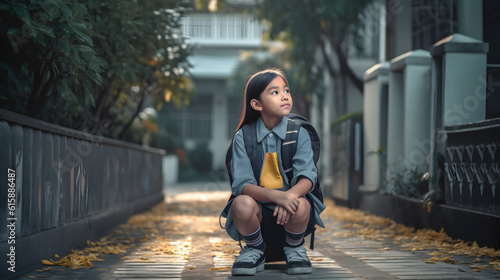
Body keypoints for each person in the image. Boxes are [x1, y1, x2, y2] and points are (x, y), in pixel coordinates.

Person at [222, 68, 325, 276]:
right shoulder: (243, 136)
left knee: (303, 204)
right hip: (257, 214)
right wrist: (279, 196)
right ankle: (255, 249)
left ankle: (294, 248)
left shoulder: (299, 133)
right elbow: (242, 185)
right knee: (240, 203)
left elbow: (307, 177)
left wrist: (290, 197)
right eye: (275, 92)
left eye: (286, 90)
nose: (285, 95)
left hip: (292, 213)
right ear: (256, 104)